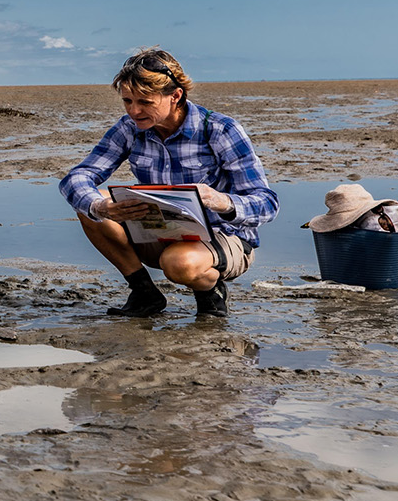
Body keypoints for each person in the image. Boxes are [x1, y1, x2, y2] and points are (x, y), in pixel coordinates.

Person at [58, 48, 277, 318]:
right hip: (158, 231)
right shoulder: (129, 128)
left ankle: (210, 292)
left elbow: (267, 204)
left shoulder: (221, 130)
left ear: (175, 96)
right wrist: (100, 206)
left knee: (178, 263)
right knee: (89, 204)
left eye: (145, 102)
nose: (134, 111)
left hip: (223, 237)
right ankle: (144, 293)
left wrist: (219, 200)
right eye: (127, 101)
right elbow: (76, 178)